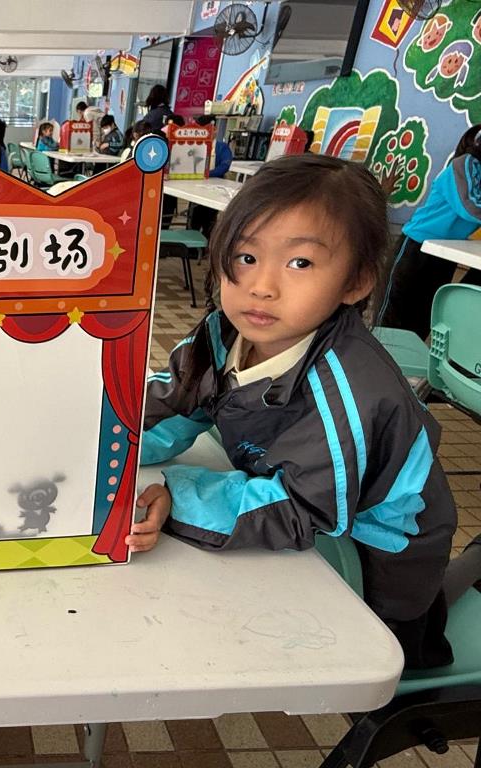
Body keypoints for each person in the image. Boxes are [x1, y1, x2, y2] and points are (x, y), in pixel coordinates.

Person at [123, 154, 478, 671]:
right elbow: (175, 401)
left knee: (374, 658)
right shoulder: (224, 331)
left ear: (356, 282)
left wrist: (178, 497)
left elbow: (301, 508)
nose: (262, 286)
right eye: (246, 256)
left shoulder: (354, 392)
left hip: (379, 548)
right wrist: (106, 436)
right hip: (309, 502)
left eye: (300, 263)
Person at [376, 125, 481, 339]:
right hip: (417, 246)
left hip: (446, 252)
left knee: (423, 318)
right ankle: (378, 357)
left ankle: (409, 360)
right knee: (392, 318)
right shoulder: (465, 165)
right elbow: (470, 205)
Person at [190, 114, 234, 237]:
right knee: (194, 216)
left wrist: (208, 174)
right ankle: (191, 239)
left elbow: (225, 165)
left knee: (210, 218)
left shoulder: (222, 147)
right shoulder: (194, 145)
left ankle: (207, 240)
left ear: (215, 129)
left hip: (215, 186)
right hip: (195, 186)